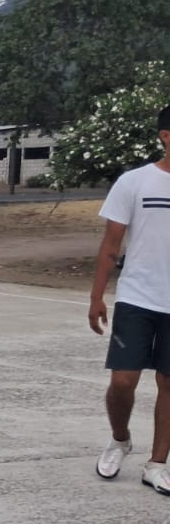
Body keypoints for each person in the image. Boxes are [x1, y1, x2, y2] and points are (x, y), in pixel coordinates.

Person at [91, 104, 170, 492]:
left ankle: (157, 464)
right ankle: (120, 439)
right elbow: (111, 245)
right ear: (166, 136)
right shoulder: (134, 182)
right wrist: (96, 297)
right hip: (137, 297)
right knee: (123, 382)